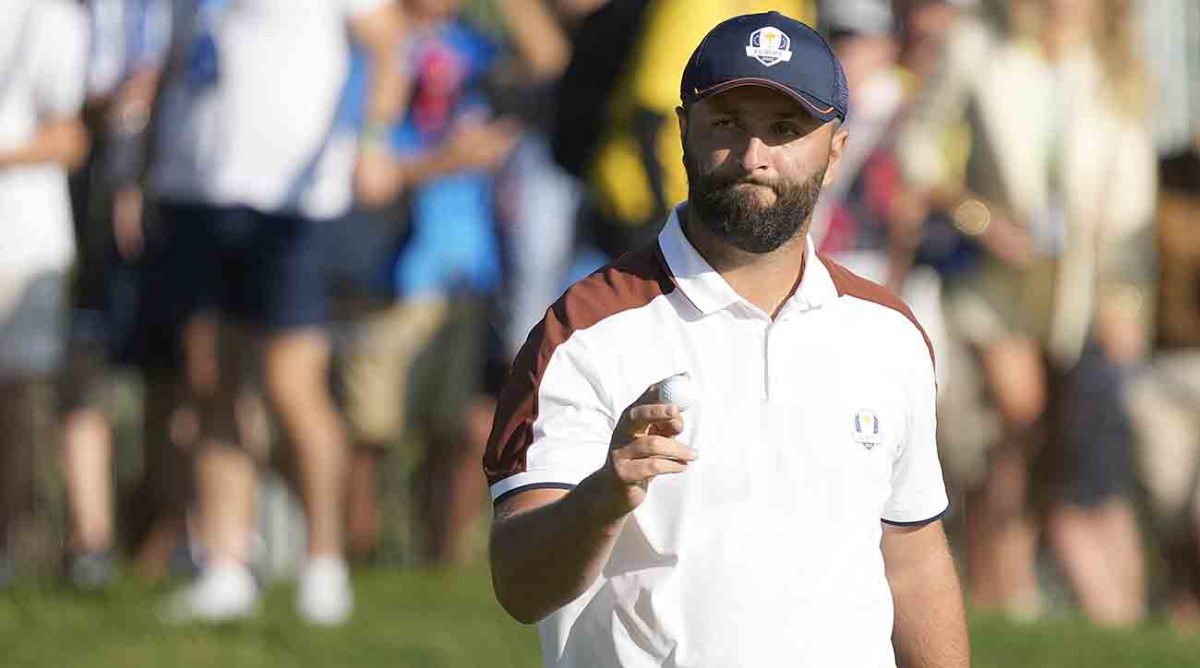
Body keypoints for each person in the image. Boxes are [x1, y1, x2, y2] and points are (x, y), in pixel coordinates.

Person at [486, 12, 969, 667]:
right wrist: (602, 498)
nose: (753, 157)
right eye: (727, 124)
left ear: (836, 151)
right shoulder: (584, 331)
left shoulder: (888, 332)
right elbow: (519, 585)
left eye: (784, 129)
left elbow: (912, 563)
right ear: (683, 132)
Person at [895, 0, 1155, 624]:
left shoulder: (1114, 64)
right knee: (1018, 411)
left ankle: (1009, 578)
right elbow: (919, 144)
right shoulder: (979, 45)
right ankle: (997, 580)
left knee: (1041, 440)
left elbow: (1132, 190)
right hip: (994, 277)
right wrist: (977, 218)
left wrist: (1127, 296)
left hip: (1080, 288)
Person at [149, 0, 405, 624]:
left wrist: (371, 142)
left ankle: (324, 561)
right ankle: (226, 564)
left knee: (291, 386)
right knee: (211, 382)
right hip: (196, 190)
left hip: (290, 203)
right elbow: (178, 64)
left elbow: (388, 43)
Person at [0, 0, 90, 587]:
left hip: (24, 240)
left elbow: (69, 136)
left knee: (16, 403)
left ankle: (12, 546)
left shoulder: (54, 18)